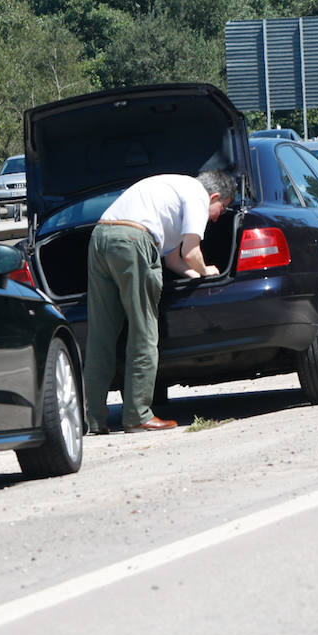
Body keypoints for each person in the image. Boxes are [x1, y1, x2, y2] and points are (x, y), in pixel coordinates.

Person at [82, 169, 236, 435]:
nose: (217, 216)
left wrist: (194, 278)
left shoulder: (173, 189)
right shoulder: (198, 196)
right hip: (134, 241)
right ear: (215, 196)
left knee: (101, 335)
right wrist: (207, 271)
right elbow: (191, 252)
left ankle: (90, 419)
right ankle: (138, 416)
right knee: (143, 332)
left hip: (101, 237)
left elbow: (174, 260)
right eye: (221, 209)